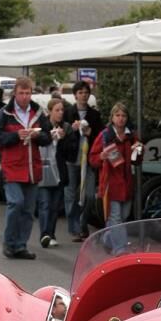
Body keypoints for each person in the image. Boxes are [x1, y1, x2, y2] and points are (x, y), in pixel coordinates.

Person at [0, 76, 51, 259]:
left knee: (28, 210)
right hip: (12, 166)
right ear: (14, 94)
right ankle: (9, 243)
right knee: (15, 203)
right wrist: (16, 135)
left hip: (32, 167)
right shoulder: (5, 113)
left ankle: (20, 245)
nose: (25, 97)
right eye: (21, 93)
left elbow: (47, 137)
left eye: (28, 93)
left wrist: (36, 137)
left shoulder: (38, 111)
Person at [89, 102, 142, 247]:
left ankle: (107, 237)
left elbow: (137, 162)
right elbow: (92, 159)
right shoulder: (105, 135)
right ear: (112, 117)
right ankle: (121, 248)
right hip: (110, 184)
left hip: (127, 183)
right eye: (117, 115)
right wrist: (101, 156)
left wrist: (139, 151)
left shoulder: (131, 136)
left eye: (124, 115)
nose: (121, 118)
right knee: (116, 217)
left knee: (123, 216)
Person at [62, 81, 101, 241]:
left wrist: (90, 132)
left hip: (89, 160)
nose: (83, 95)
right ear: (75, 95)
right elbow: (61, 134)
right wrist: (72, 129)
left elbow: (100, 136)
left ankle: (83, 224)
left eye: (86, 92)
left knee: (90, 195)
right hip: (71, 159)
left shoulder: (94, 115)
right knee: (70, 194)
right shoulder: (68, 113)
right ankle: (75, 227)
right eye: (80, 92)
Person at [38, 98, 69, 248]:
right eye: (57, 110)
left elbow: (71, 150)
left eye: (62, 110)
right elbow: (40, 141)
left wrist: (64, 139)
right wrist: (51, 136)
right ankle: (44, 234)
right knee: (44, 203)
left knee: (55, 206)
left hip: (59, 171)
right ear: (49, 111)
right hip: (45, 169)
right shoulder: (42, 125)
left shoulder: (65, 127)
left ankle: (51, 233)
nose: (60, 113)